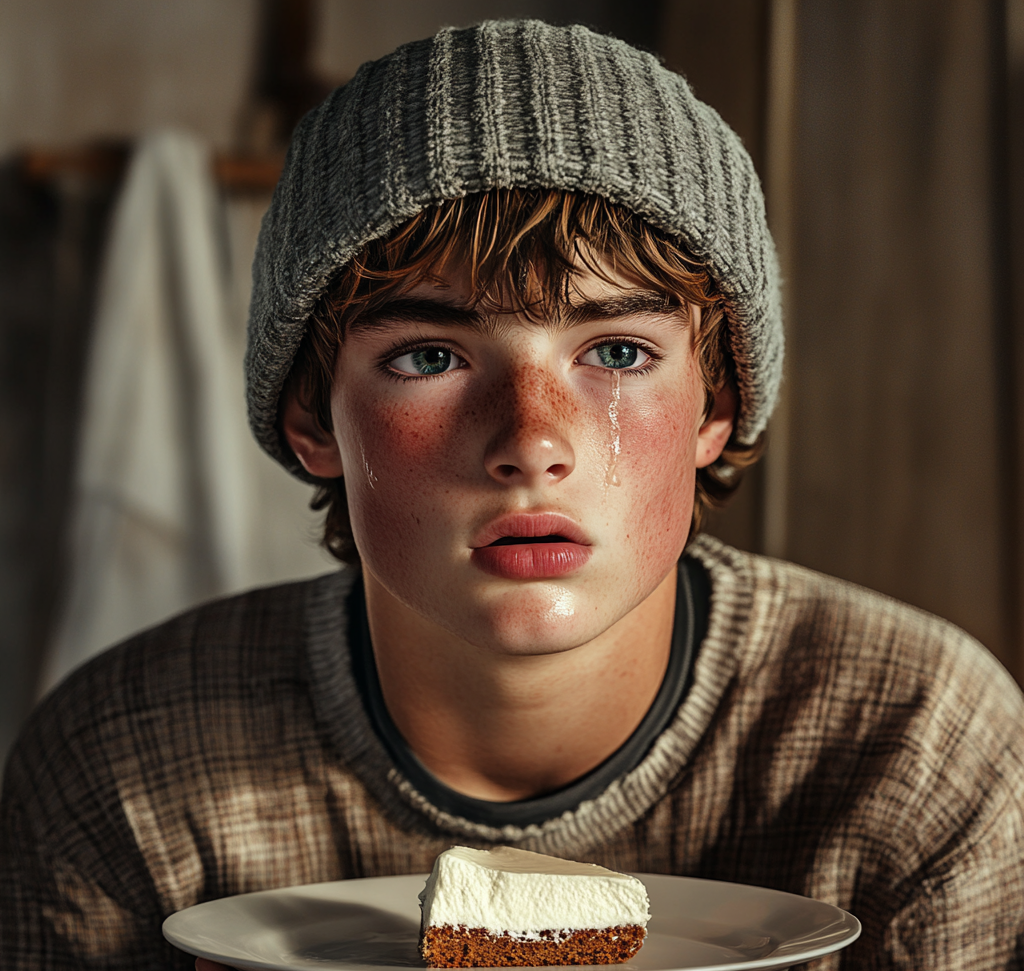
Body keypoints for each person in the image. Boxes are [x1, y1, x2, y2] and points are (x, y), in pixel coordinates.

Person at [3, 19, 1024, 971]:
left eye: (616, 350)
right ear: (313, 419)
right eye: (431, 355)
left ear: (716, 403)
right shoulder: (126, 767)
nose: (532, 442)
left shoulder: (920, 745)